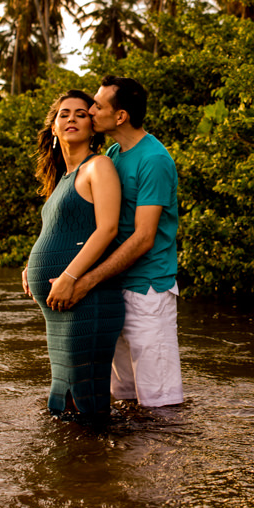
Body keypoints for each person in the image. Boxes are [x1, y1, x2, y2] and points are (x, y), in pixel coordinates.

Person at [59, 75, 183, 407]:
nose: (90, 109)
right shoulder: (114, 153)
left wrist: (85, 282)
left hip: (148, 291)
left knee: (160, 406)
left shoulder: (154, 160)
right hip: (114, 288)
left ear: (120, 116)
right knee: (124, 398)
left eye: (98, 105)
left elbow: (144, 238)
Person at [21, 89, 124, 417]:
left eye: (81, 114)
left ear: (93, 126)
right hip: (60, 307)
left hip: (86, 300)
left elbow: (107, 230)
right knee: (63, 401)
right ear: (53, 127)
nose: (72, 119)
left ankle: (99, 466)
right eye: (64, 114)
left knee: (86, 400)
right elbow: (57, 231)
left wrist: (68, 276)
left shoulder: (99, 166)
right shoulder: (62, 178)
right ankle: (73, 467)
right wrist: (31, 265)